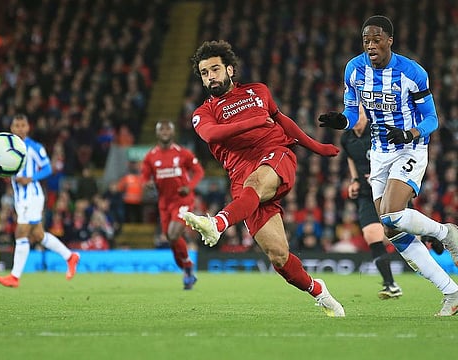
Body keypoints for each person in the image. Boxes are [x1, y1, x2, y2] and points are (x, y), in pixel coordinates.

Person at [184, 40, 345, 316]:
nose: (210, 77)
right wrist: (256, 122)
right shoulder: (203, 113)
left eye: (215, 69)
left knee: (255, 184)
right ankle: (319, 291)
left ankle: (217, 223)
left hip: (274, 154)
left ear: (230, 70)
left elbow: (282, 121)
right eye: (204, 73)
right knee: (279, 256)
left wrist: (316, 147)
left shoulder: (258, 91)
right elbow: (212, 135)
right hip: (242, 180)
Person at [318, 15, 458, 316]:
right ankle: (451, 292)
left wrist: (410, 132)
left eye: (377, 38)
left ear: (389, 40)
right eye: (366, 39)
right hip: (379, 153)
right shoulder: (354, 70)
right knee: (391, 228)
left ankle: (446, 233)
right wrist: (341, 121)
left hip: (410, 147)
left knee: (392, 213)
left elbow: (432, 119)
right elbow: (353, 113)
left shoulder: (413, 73)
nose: (371, 44)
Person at [0, 114, 80, 287]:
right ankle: (70, 256)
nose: (19, 128)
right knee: (38, 235)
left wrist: (31, 178)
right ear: (11, 128)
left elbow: (48, 168)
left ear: (28, 128)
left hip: (32, 195)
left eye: (22, 125)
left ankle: (15, 276)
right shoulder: (7, 149)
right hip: (20, 198)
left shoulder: (33, 147)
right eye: (16, 125)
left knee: (21, 232)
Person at [341, 104, 402, 299]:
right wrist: (355, 180)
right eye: (352, 114)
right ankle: (390, 284)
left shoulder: (377, 132)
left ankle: (431, 236)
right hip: (366, 194)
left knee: (407, 230)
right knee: (371, 234)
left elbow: (395, 156)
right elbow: (351, 159)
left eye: (359, 113)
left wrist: (380, 175)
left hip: (389, 189)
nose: (356, 117)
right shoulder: (346, 138)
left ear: (367, 115)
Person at [141, 120, 204, 290]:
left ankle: (187, 267)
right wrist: (146, 183)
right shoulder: (151, 156)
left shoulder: (183, 153)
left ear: (173, 132)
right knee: (171, 239)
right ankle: (187, 267)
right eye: (161, 128)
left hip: (182, 200)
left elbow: (199, 171)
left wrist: (189, 187)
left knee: (173, 234)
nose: (165, 131)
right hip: (164, 203)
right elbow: (145, 176)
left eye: (168, 128)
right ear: (157, 133)